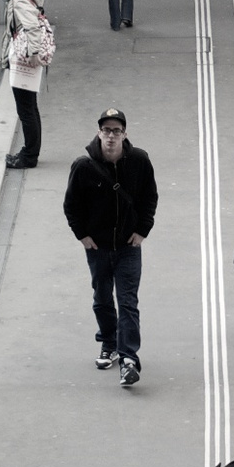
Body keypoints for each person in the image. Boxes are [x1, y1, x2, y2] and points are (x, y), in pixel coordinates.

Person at [63, 108, 158, 387]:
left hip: (129, 245)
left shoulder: (139, 161)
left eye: (117, 131)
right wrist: (82, 235)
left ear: (125, 134)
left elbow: (149, 197)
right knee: (102, 297)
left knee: (127, 300)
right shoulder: (83, 166)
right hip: (98, 247)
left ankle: (129, 358)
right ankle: (109, 342)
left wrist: (142, 231)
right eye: (107, 130)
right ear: (99, 133)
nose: (111, 136)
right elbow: (71, 205)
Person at [0, 0, 47, 168]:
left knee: (26, 109)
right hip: (28, 55)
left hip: (25, 57)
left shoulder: (18, 0)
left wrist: (34, 52)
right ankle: (29, 152)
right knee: (30, 107)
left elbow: (32, 26)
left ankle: (29, 156)